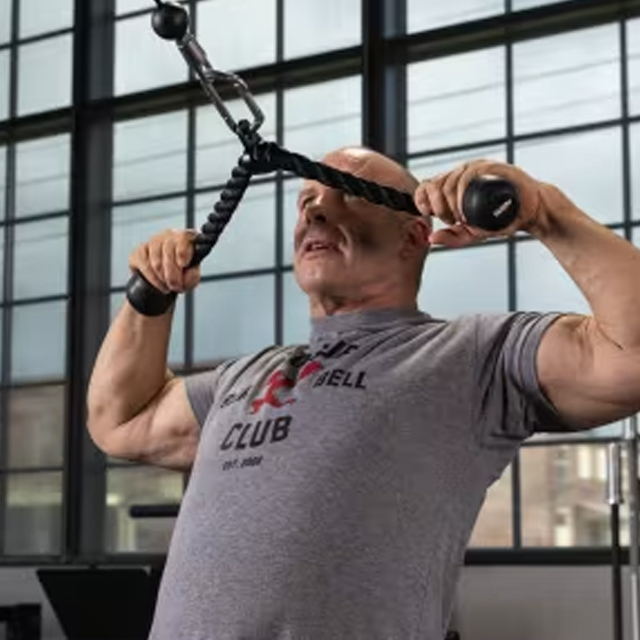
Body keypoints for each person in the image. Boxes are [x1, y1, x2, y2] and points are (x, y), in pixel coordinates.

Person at [87, 147, 640, 640]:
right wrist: (149, 295)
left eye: (346, 193)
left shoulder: (471, 356)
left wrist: (544, 210)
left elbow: (629, 357)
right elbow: (121, 420)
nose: (315, 211)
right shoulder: (244, 377)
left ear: (412, 237)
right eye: (306, 199)